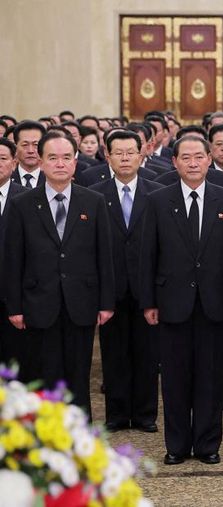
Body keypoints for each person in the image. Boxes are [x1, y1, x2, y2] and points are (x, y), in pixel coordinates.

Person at [139, 136, 223, 466]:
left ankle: (206, 444)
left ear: (208, 160)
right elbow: (147, 255)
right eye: (185, 157)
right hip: (171, 302)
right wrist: (148, 301)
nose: (192, 163)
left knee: (210, 377)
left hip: (215, 302)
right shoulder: (158, 200)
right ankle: (176, 445)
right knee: (174, 379)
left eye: (199, 157)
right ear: (174, 162)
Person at [4, 131, 115, 411]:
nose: (60, 164)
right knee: (43, 377)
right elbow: (13, 258)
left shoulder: (94, 201)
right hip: (38, 304)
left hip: (81, 302)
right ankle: (45, 444)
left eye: (67, 158)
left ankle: (79, 444)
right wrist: (14, 306)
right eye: (52, 158)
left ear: (76, 162)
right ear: (40, 162)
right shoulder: (22, 204)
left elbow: (105, 256)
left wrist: (106, 302)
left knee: (78, 378)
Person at [89, 130, 163, 432]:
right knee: (114, 355)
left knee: (148, 355)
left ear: (141, 154)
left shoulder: (157, 193)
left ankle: (145, 415)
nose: (124, 158)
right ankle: (117, 415)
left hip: (147, 288)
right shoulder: (94, 194)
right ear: (108, 156)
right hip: (111, 288)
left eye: (130, 152)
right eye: (117, 152)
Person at [0, 138, 26, 367]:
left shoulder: (28, 198)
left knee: (15, 364)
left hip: (16, 297)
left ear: (14, 163)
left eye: (2, 158)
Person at [11, 121, 47, 188]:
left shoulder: (52, 179)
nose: (30, 151)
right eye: (25, 145)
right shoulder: (6, 178)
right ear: (16, 147)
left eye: (36, 145)